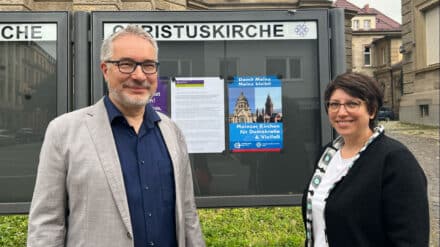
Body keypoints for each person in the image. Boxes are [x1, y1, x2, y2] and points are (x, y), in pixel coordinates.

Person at [27, 25, 206, 247]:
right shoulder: (64, 131)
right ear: (105, 69)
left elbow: (187, 215)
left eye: (148, 65)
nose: (139, 75)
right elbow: (47, 223)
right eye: (126, 64)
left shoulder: (172, 132)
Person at [301, 72, 429, 247]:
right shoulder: (328, 154)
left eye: (352, 104)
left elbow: (411, 238)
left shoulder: (395, 160)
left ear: (372, 110)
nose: (341, 112)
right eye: (334, 104)